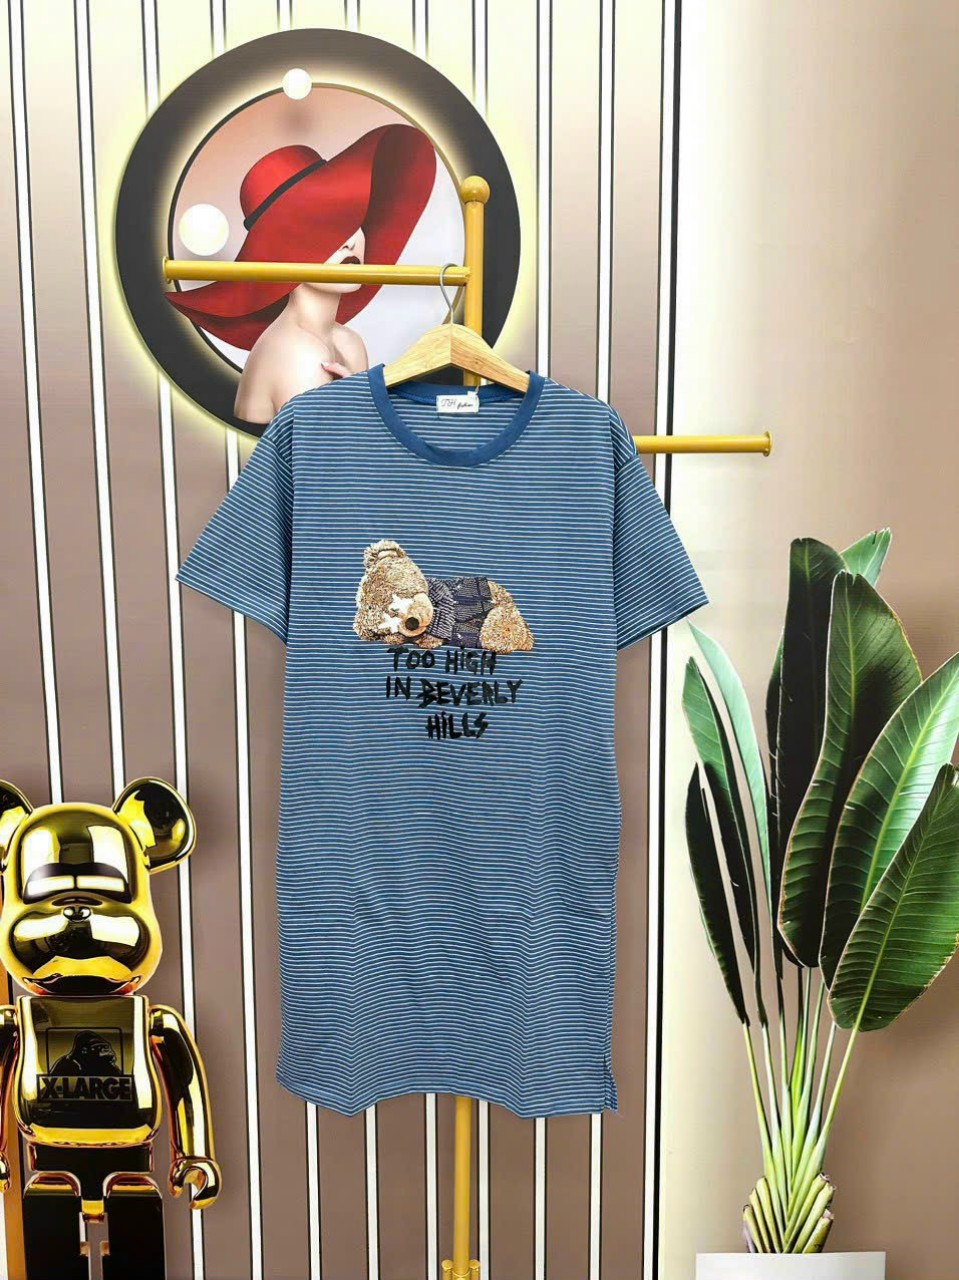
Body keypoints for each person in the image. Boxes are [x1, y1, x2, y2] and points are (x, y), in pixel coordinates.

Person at [165, 123, 437, 424]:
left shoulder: (348, 342)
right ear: (284, 250)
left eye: (352, 220)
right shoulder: (301, 353)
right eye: (326, 228)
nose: (350, 241)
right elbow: (326, 453)